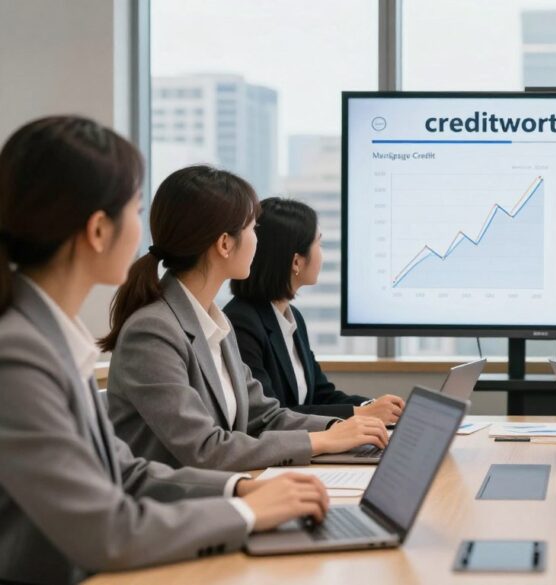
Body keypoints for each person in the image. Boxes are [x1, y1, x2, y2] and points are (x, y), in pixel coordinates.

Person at [0, 116, 330, 584]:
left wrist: (243, 489)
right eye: (134, 211)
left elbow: (127, 473)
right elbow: (107, 530)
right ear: (98, 231)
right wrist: (246, 513)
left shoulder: (48, 339)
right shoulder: (17, 356)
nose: (142, 233)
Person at [103, 165, 389, 471]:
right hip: (172, 507)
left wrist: (340, 428)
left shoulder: (214, 325)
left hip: (215, 493)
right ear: (225, 244)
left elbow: (266, 416)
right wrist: (322, 441)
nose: (257, 240)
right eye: (253, 228)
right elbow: (205, 448)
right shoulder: (153, 331)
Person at [224, 197, 404, 422]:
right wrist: (360, 413)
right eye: (318, 244)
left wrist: (374, 406)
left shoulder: (292, 317)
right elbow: (269, 415)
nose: (322, 253)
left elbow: (321, 394)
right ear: (296, 262)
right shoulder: (242, 322)